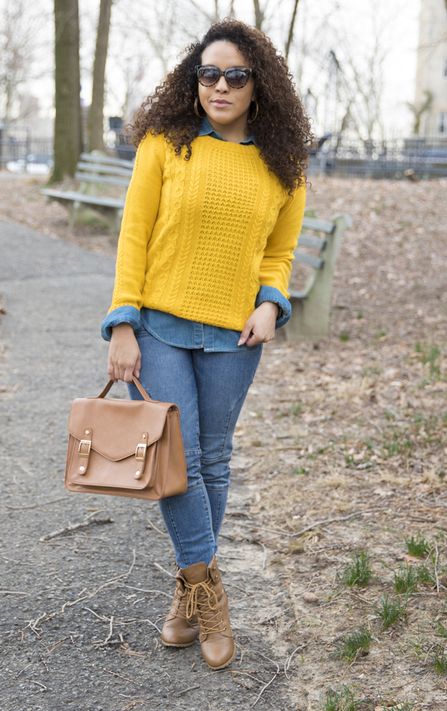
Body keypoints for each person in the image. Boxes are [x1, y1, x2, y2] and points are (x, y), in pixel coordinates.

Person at [101, 18, 312, 671]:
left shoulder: (283, 163)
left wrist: (272, 304)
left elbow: (279, 252)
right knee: (176, 459)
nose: (220, 85)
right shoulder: (165, 144)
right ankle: (209, 595)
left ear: (259, 86)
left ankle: (188, 590)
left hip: (235, 334)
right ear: (194, 81)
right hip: (160, 323)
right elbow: (133, 236)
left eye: (235, 75)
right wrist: (124, 324)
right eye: (209, 73)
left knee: (214, 461)